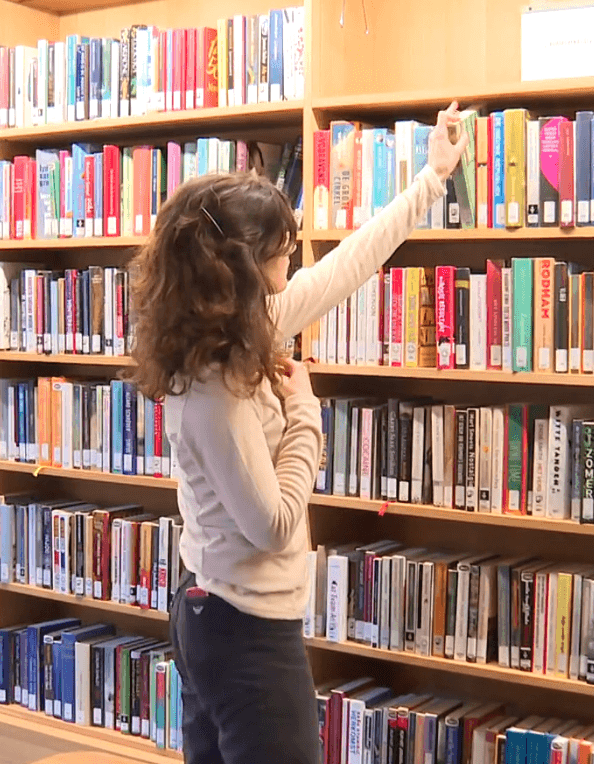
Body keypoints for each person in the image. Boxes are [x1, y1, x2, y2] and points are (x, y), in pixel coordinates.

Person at [126, 103, 469, 764]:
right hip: (243, 630)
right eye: (281, 254)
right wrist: (306, 411)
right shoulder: (214, 390)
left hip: (225, 615)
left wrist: (431, 179)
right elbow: (274, 525)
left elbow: (343, 270)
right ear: (242, 269)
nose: (291, 263)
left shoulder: (240, 330)